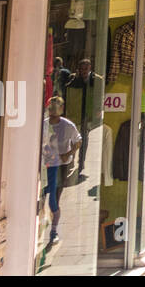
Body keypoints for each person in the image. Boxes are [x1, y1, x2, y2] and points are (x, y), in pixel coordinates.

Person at [41, 98, 80, 245]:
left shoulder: (68, 125)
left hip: (61, 165)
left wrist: (68, 153)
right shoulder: (44, 125)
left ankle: (54, 231)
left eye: (56, 114)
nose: (53, 118)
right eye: (51, 114)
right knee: (44, 196)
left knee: (55, 198)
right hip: (46, 165)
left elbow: (78, 141)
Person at [62, 58, 103, 174]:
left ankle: (81, 162)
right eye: (81, 69)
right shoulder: (73, 78)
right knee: (72, 137)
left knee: (84, 139)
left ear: (90, 68)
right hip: (76, 112)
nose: (83, 71)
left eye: (85, 69)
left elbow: (100, 95)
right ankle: (71, 159)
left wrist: (99, 109)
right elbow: (68, 91)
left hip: (88, 114)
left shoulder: (97, 79)